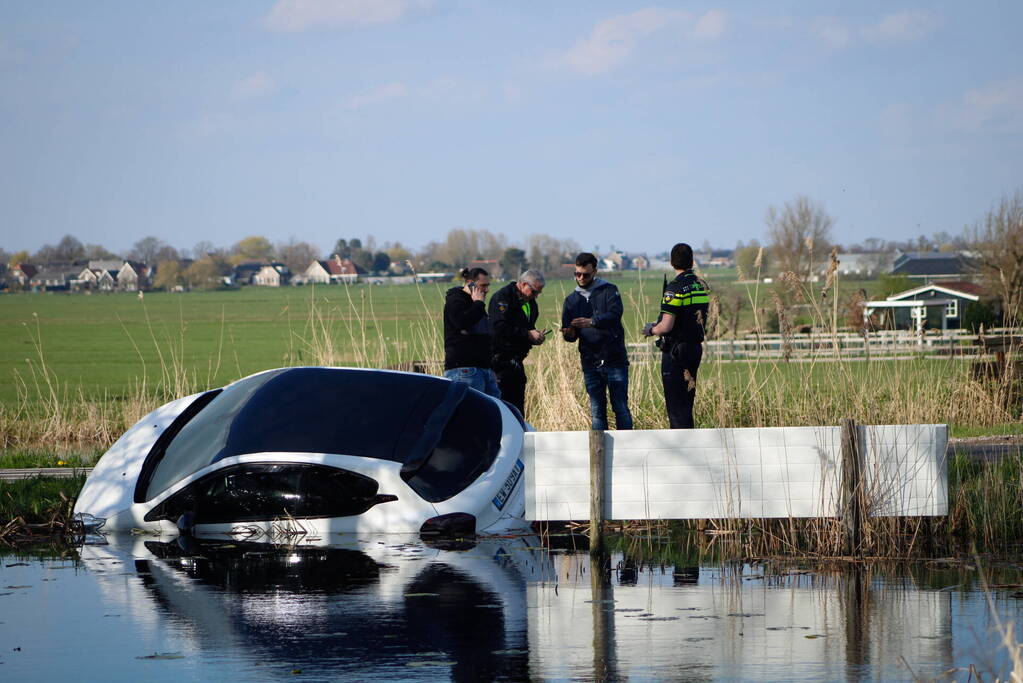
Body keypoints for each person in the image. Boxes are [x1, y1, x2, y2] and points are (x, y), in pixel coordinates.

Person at [560, 252, 633, 430]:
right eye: (577, 274)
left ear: (595, 272)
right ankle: (599, 453)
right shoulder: (571, 300)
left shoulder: (609, 290)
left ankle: (627, 448)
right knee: (597, 410)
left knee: (621, 408)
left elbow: (615, 315)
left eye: (586, 274)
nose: (581, 278)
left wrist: (592, 322)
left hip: (614, 359)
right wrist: (568, 333)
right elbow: (570, 336)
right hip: (590, 362)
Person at [642, 243, 709, 428]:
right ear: (692, 261)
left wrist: (651, 330)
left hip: (676, 352)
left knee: (676, 407)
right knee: (687, 403)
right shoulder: (701, 285)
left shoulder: (674, 288)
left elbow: (666, 325)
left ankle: (681, 448)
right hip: (695, 349)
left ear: (671, 262)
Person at [489, 269, 546, 416]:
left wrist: (536, 337)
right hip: (499, 362)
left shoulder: (531, 303)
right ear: (523, 284)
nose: (536, 296)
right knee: (502, 410)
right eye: (534, 292)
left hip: (517, 362)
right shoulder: (502, 298)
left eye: (539, 293)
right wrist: (527, 334)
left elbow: (526, 327)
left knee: (518, 411)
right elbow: (499, 328)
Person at [443, 267, 500, 398]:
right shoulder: (456, 301)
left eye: (488, 285)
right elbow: (462, 322)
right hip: (464, 369)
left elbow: (485, 337)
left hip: (484, 368)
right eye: (483, 285)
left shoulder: (477, 304)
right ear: (470, 283)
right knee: (471, 414)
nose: (487, 290)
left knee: (494, 411)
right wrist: (479, 303)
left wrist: (490, 367)